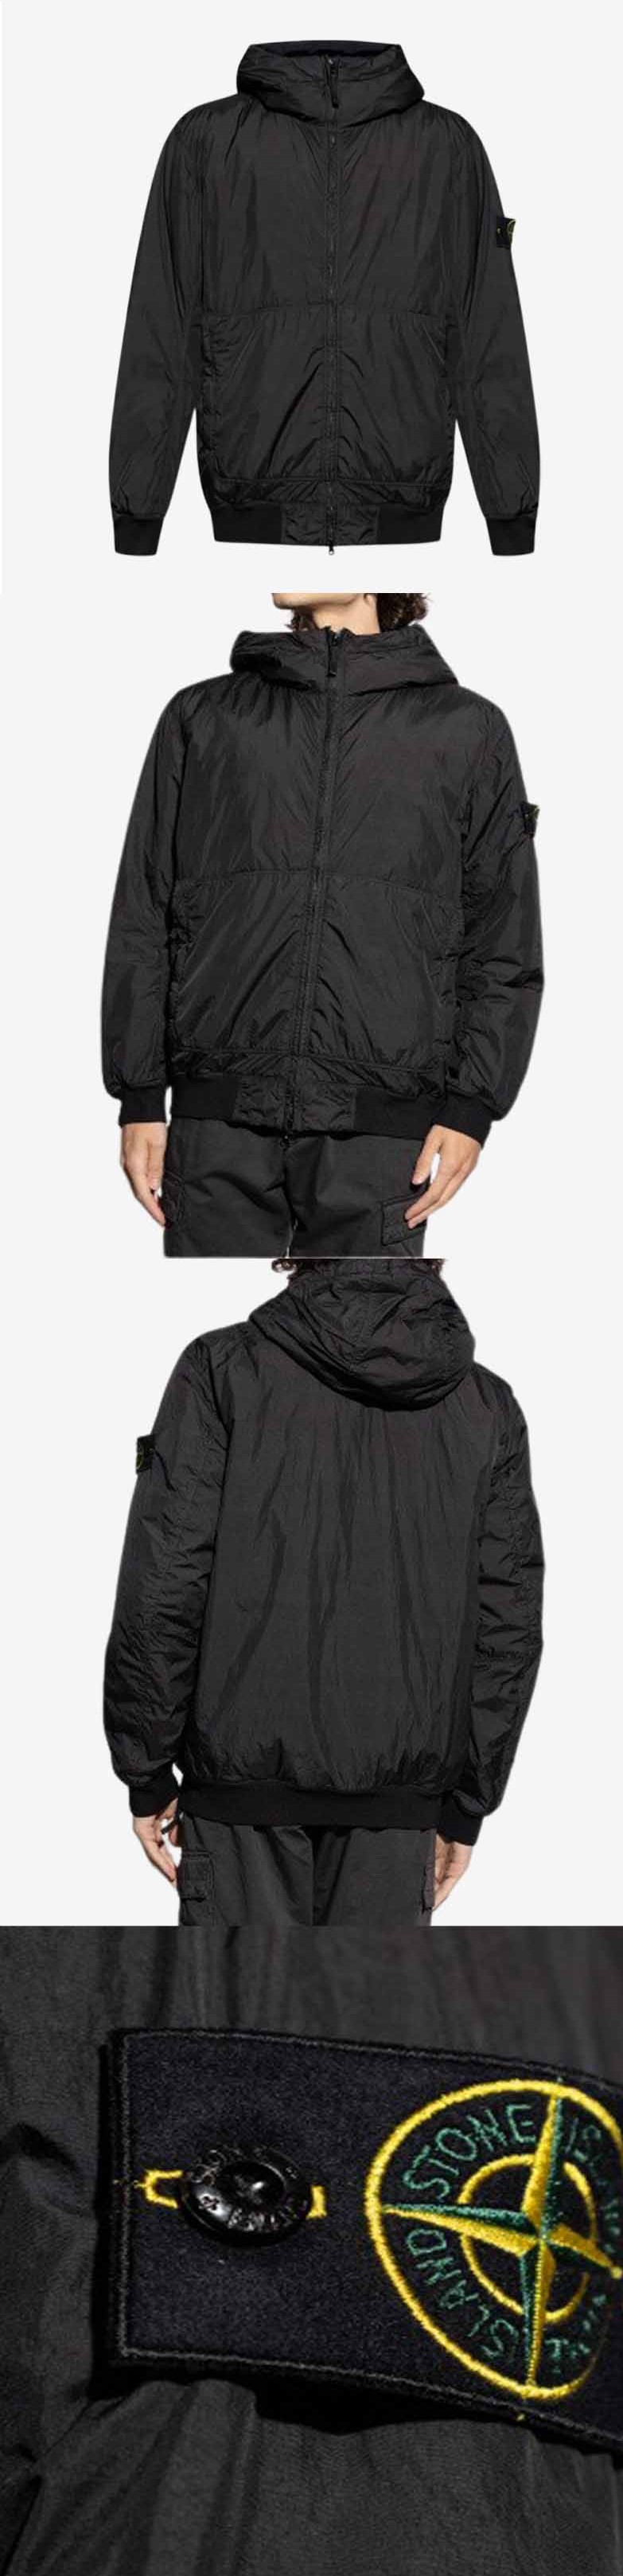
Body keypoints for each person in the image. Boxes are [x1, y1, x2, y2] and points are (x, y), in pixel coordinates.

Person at [103, 1257, 543, 1927]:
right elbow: (506, 1618)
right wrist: (469, 1802)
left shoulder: (221, 1368)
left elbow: (164, 1578)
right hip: (399, 1810)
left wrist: (147, 1767)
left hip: (239, 1796)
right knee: (362, 1998)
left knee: (237, 1996)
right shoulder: (486, 1403)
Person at [102, 591, 543, 1256]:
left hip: (381, 1128)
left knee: (364, 1307)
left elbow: (502, 935)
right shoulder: (204, 714)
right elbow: (144, 907)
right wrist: (139, 1093)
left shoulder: (466, 727)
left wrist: (472, 1106)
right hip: (219, 1116)